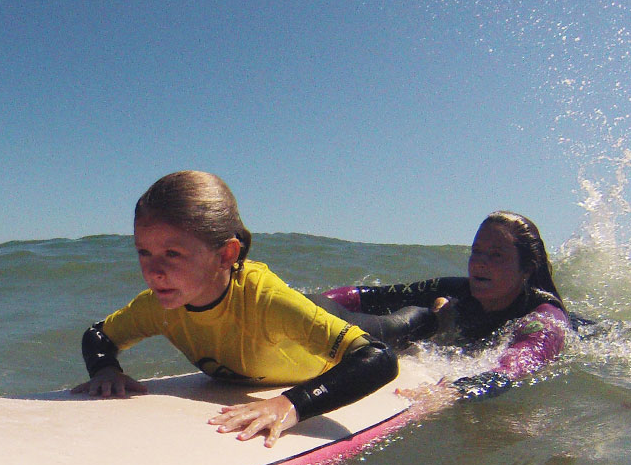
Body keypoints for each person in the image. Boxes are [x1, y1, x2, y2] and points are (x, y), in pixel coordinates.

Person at [72, 170, 399, 447]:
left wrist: (291, 404)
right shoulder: (158, 306)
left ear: (226, 255)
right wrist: (105, 371)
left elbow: (379, 357)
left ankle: (419, 303)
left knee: (403, 326)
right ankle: (350, 296)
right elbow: (99, 335)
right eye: (144, 252)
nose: (153, 271)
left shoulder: (266, 301)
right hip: (297, 317)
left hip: (321, 322)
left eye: (172, 254)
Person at [313, 210, 579, 406]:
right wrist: (307, 305)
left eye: (496, 255)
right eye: (476, 251)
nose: (479, 263)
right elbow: (367, 296)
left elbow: (512, 369)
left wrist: (451, 392)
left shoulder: (544, 319)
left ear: (527, 269)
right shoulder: (456, 290)